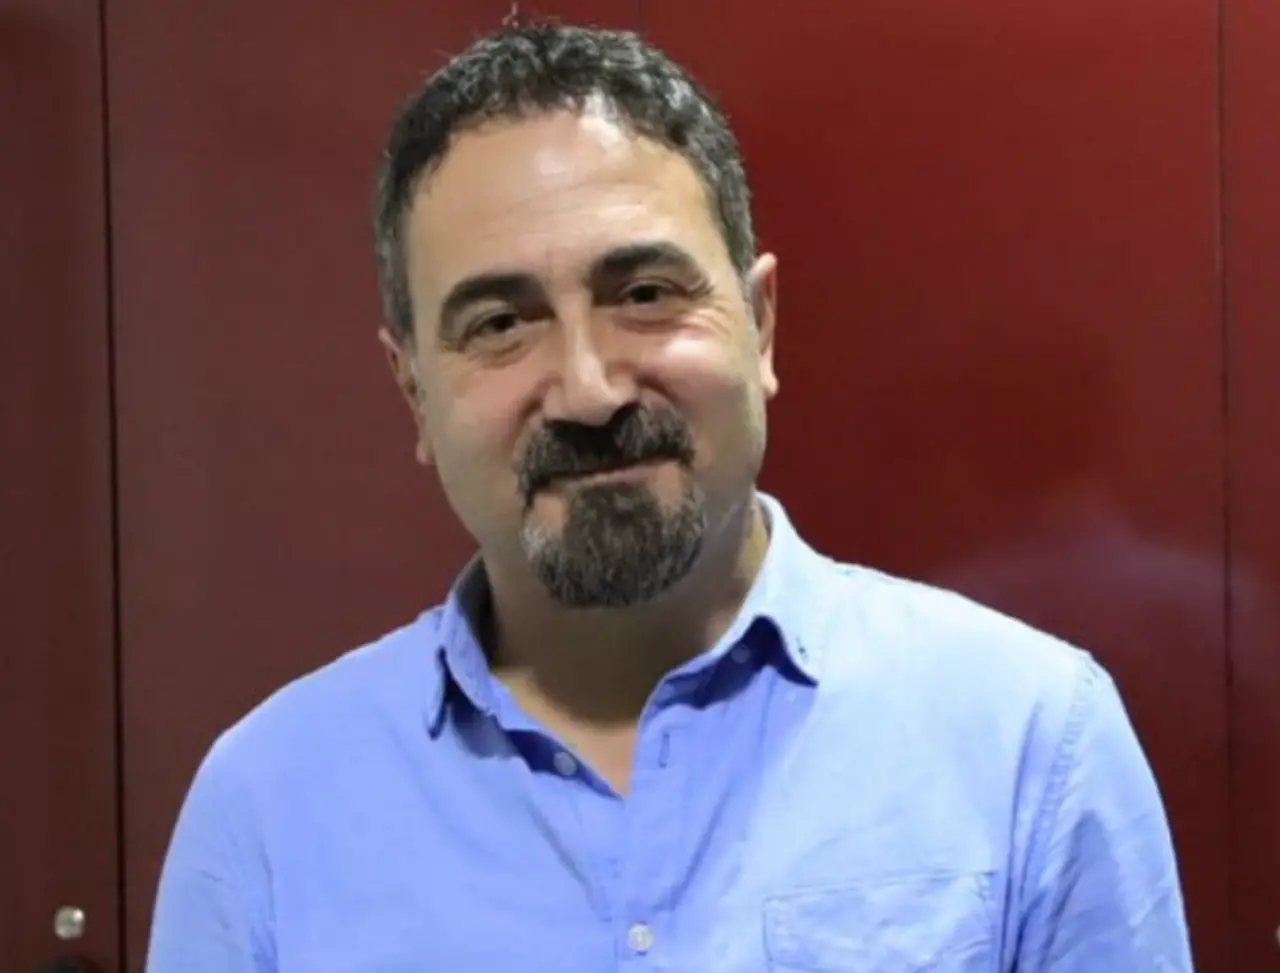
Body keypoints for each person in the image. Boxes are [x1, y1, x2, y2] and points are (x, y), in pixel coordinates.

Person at [146, 21, 1194, 973]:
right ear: (414, 392)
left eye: (644, 294)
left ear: (760, 324)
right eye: (501, 323)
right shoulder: (266, 814)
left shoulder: (1028, 740)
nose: (589, 389)